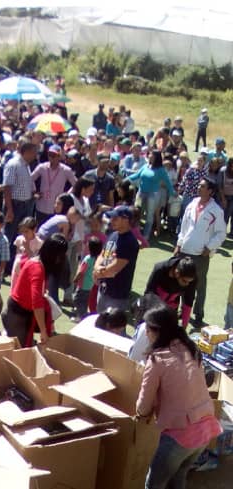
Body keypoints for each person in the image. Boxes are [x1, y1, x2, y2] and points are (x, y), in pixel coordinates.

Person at [136, 306, 222, 489]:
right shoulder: (189, 348)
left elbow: (144, 404)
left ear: (157, 332)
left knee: (154, 485)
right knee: (179, 476)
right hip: (205, 429)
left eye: (148, 330)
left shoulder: (157, 360)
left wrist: (141, 415)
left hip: (180, 435)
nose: (146, 334)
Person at [174, 177, 224, 325]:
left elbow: (221, 233)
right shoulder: (192, 203)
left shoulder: (216, 210)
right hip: (185, 250)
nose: (199, 188)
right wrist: (178, 244)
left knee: (199, 285)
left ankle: (198, 314)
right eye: (199, 185)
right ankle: (182, 311)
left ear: (210, 191)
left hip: (200, 255)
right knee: (181, 282)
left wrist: (209, 247)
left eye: (202, 186)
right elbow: (184, 226)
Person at [4, 233, 68, 346]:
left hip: (24, 313)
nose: (61, 260)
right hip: (17, 315)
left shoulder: (39, 264)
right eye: (61, 256)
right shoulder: (37, 268)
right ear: (54, 255)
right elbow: (37, 303)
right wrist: (43, 331)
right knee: (21, 351)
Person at [95, 206, 141, 312]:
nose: (111, 221)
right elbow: (102, 255)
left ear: (126, 220)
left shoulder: (130, 242)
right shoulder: (113, 235)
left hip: (117, 295)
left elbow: (114, 269)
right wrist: (97, 268)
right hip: (103, 288)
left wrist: (98, 273)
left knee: (114, 326)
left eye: (115, 218)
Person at [144, 256, 198, 330]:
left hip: (172, 307)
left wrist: (184, 327)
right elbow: (149, 293)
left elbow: (188, 302)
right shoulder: (160, 268)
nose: (187, 285)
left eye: (189, 282)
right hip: (155, 306)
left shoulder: (191, 278)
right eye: (185, 281)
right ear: (177, 273)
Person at [73, 237, 103, 320]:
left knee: (77, 299)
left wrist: (75, 279)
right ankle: (83, 314)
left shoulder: (87, 258)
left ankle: (81, 316)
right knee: (85, 301)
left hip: (82, 285)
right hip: (90, 285)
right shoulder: (98, 259)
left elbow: (81, 272)